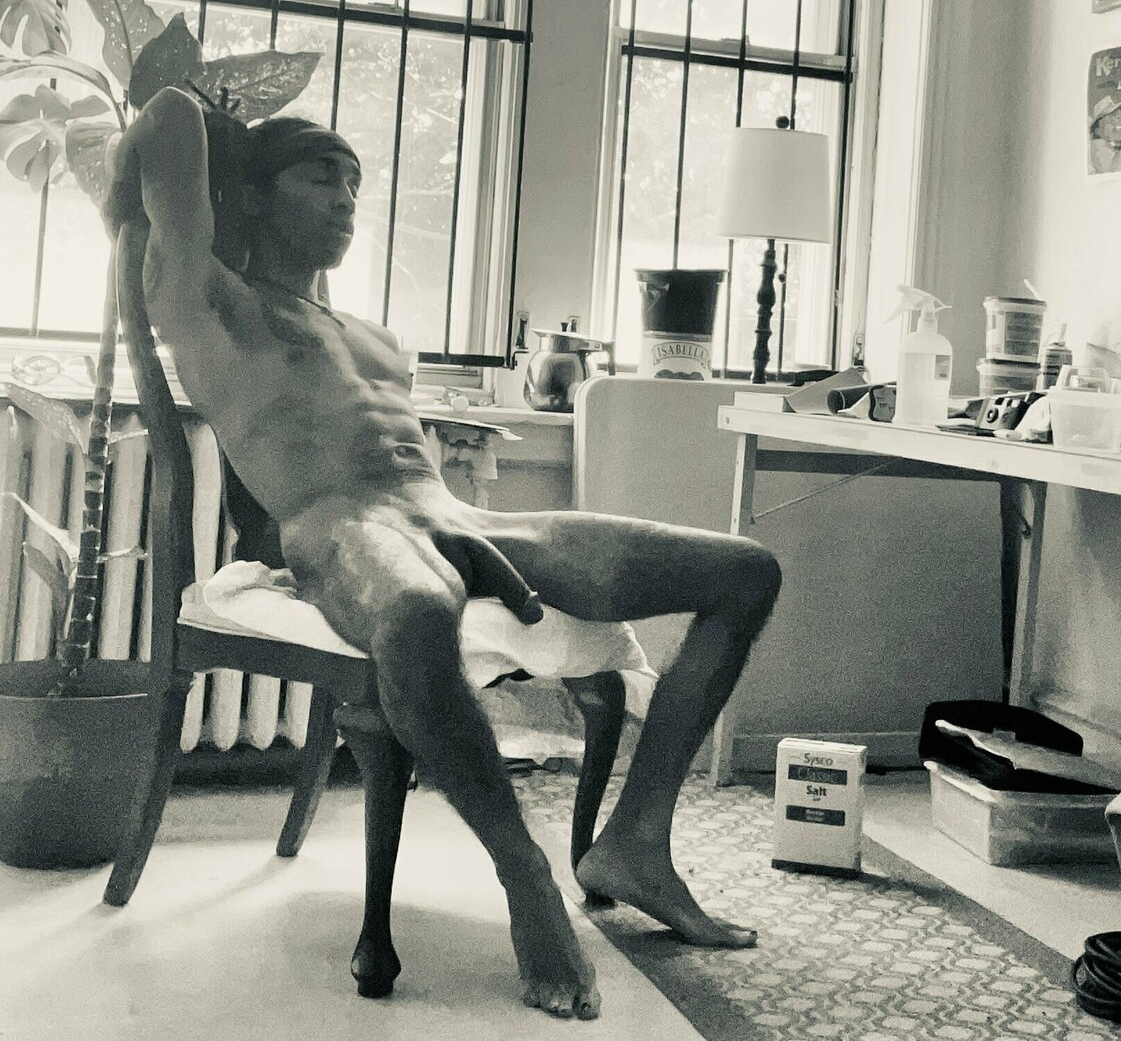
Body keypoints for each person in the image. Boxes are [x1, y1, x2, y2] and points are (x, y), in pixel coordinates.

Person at [109, 89, 782, 1021]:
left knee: (745, 571)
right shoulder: (213, 303)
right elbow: (170, 122)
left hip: (455, 514)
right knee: (417, 609)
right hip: (337, 527)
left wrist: (449, 526)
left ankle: (636, 841)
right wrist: (206, 132)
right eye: (320, 178)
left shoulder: (376, 340)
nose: (346, 200)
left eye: (354, 183)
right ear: (255, 196)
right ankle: (524, 873)